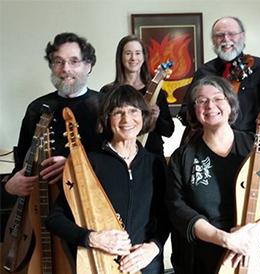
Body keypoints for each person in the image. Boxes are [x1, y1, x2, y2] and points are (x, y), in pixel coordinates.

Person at [166, 75, 260, 273]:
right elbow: (177, 207)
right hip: (205, 256)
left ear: (230, 103)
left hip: (257, 252)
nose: (210, 105)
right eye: (202, 101)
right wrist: (226, 240)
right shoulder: (183, 156)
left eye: (218, 98)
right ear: (194, 110)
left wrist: (253, 234)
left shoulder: (255, 145)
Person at [46, 85, 170, 274]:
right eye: (118, 112)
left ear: (143, 116)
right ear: (107, 118)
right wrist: (92, 238)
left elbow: (166, 216)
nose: (127, 119)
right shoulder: (90, 164)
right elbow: (55, 219)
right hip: (100, 264)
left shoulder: (154, 164)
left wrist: (154, 247)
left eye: (133, 111)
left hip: (146, 265)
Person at [5, 32, 103, 197]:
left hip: (93, 202)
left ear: (88, 66)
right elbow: (22, 161)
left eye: (74, 61)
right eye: (59, 61)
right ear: (51, 66)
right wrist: (10, 185)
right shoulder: (37, 108)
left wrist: (75, 166)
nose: (65, 68)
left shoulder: (106, 106)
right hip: (45, 203)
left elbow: (118, 161)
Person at [177, 16, 260, 133]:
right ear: (213, 39)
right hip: (209, 142)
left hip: (248, 143)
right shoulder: (204, 71)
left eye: (232, 34)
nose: (226, 39)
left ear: (242, 35)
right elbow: (186, 110)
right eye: (220, 35)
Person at [100, 35, 174, 167]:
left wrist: (156, 118)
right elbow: (103, 129)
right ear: (120, 57)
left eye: (137, 53)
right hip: (118, 158)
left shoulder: (157, 92)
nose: (133, 58)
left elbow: (169, 131)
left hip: (152, 158)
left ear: (144, 57)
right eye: (128, 53)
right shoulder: (108, 91)